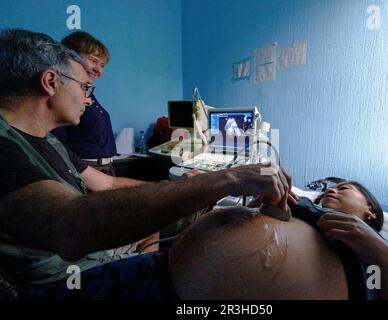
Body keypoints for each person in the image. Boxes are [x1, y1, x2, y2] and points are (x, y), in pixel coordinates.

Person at [0, 28, 292, 299]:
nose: (87, 98)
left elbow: (109, 183)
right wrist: (226, 179)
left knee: (205, 228)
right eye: (84, 88)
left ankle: (145, 263)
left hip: (88, 260)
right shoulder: (5, 146)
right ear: (50, 82)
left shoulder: (49, 141)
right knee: (212, 264)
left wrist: (188, 188)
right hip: (64, 282)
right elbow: (69, 225)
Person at [169, 181, 388, 300]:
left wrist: (383, 257)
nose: (331, 189)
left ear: (370, 210)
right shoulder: (302, 208)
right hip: (168, 276)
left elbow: (378, 281)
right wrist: (262, 211)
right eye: (328, 189)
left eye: (344, 188)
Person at [51, 31, 116, 176]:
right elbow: (56, 142)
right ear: (71, 57)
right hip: (86, 169)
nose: (99, 70)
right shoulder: (63, 93)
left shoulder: (88, 92)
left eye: (102, 65)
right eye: (93, 60)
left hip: (105, 168)